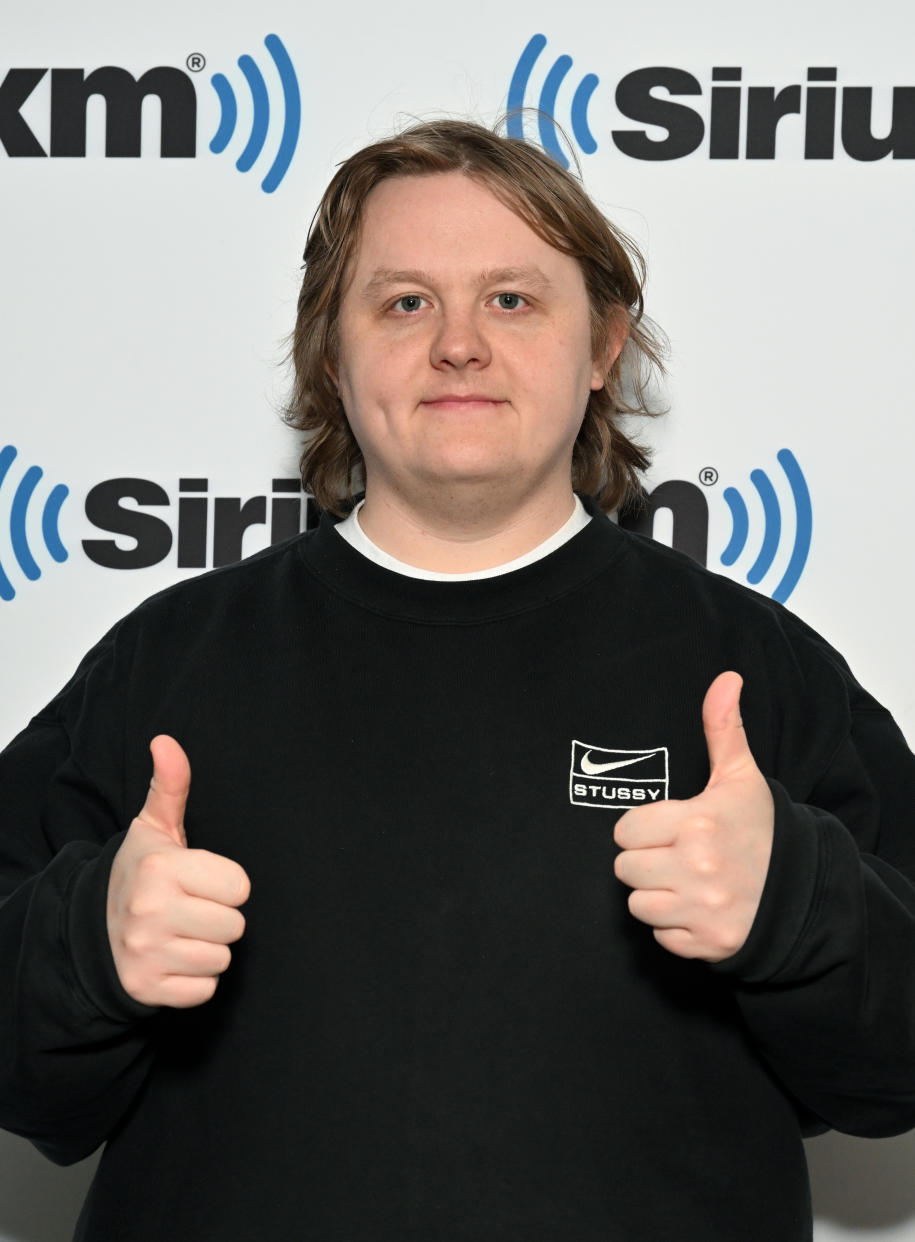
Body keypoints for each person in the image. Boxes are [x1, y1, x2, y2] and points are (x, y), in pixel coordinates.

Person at [1, 116, 914, 1242]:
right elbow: (30, 1090)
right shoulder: (166, 662)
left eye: (514, 299)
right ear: (332, 356)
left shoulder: (753, 670)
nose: (460, 346)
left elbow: (891, 1081)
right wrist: (85, 948)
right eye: (404, 302)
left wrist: (799, 910)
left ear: (603, 347)